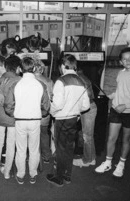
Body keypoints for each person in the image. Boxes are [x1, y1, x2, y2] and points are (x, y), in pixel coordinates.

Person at [95, 47, 130, 178]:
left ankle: (121, 164)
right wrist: (112, 95)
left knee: (126, 139)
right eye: (124, 59)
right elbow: (123, 90)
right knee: (111, 138)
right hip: (116, 110)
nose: (127, 61)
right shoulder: (121, 73)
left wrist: (126, 105)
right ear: (120, 61)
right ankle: (108, 162)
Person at [46, 54, 90, 187]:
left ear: (62, 66)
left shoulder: (61, 81)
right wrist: (75, 111)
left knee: (60, 149)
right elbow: (86, 106)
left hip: (61, 120)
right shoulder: (81, 81)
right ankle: (67, 175)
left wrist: (51, 111)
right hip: (73, 120)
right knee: (69, 148)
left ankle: (58, 178)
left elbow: (57, 104)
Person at [5, 57, 50, 185]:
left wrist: (16, 113)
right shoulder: (41, 85)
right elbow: (46, 106)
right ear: (34, 68)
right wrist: (39, 113)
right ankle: (32, 174)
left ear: (20, 69)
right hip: (35, 120)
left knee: (21, 149)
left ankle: (20, 175)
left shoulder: (15, 85)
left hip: (20, 120)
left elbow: (8, 105)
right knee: (34, 149)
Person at [0, 55, 22, 179]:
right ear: (18, 67)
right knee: (10, 144)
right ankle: (7, 171)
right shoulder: (19, 80)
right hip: (13, 117)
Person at [73, 68, 98, 167]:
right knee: (88, 136)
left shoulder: (79, 78)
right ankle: (91, 158)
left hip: (88, 109)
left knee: (87, 137)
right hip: (90, 108)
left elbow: (88, 95)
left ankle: (87, 160)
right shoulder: (83, 76)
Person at [33, 59, 54, 163]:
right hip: (44, 113)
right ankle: (46, 156)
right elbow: (51, 98)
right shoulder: (49, 81)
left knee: (31, 136)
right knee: (44, 134)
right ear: (42, 70)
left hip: (31, 114)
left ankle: (32, 157)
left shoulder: (29, 81)